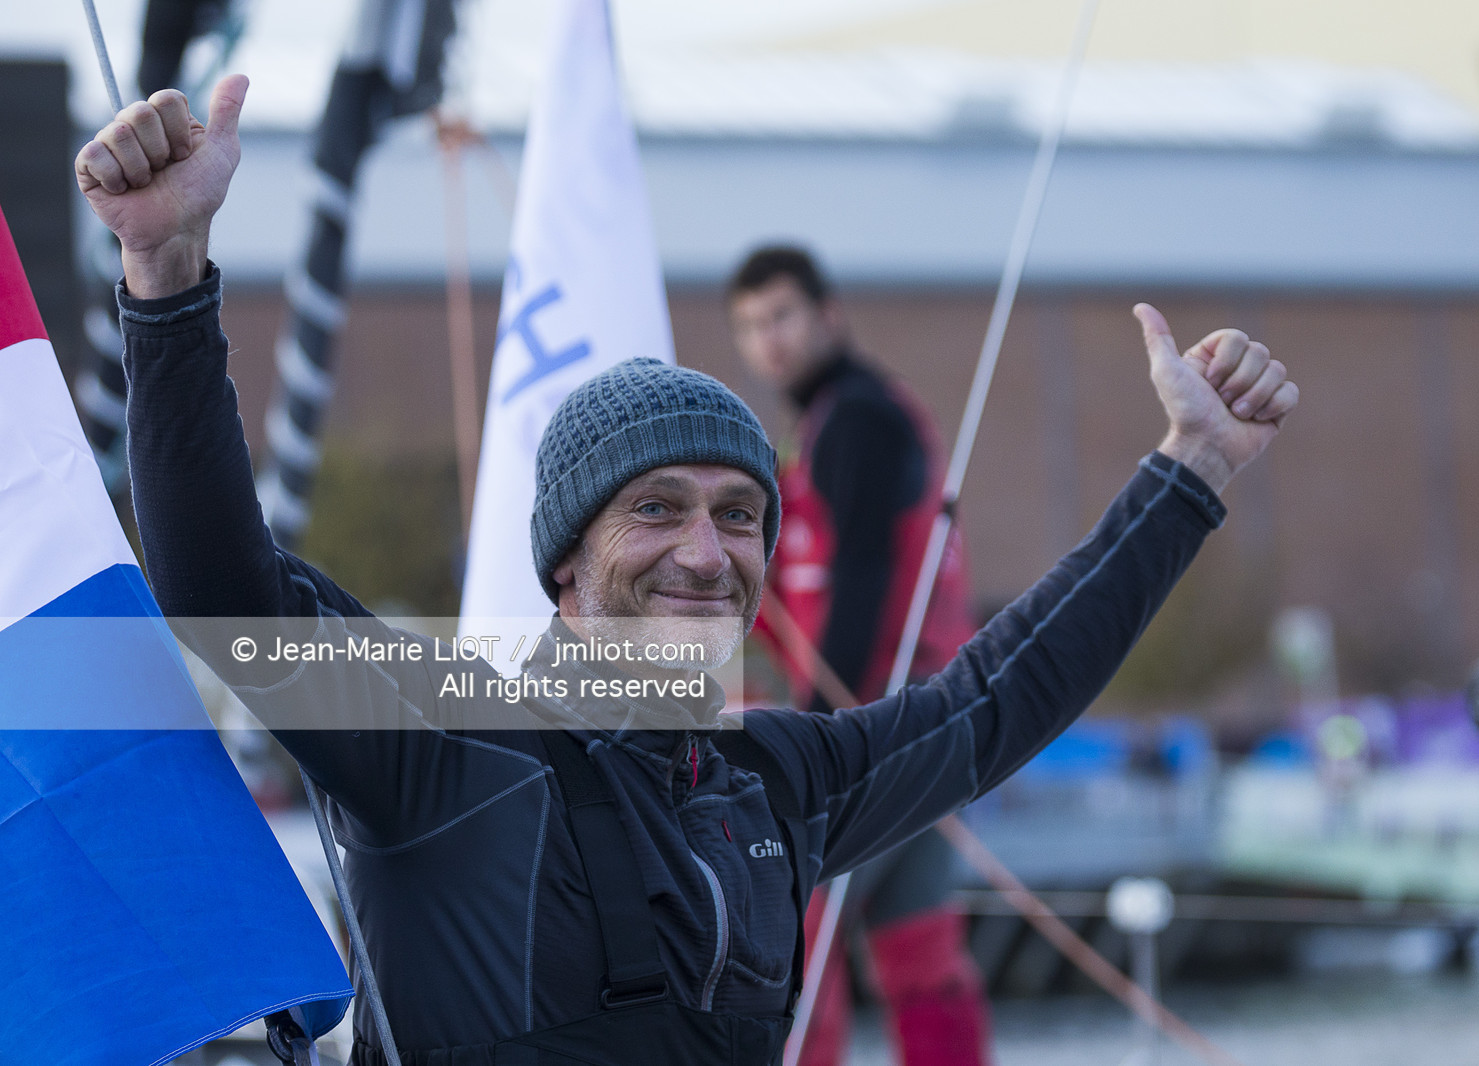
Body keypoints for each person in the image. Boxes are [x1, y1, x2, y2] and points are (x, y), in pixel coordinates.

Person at [76, 76, 1297, 1066]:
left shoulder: (780, 779)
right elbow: (219, 584)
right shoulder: (435, 738)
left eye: (740, 515)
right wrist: (167, 280)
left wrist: (1187, 476)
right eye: (655, 511)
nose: (706, 554)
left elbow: (992, 703)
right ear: (563, 562)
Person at [728, 246, 992, 1066]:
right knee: (919, 952)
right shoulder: (835, 426)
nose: (768, 341)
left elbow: (867, 572)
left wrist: (815, 736)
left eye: (782, 317)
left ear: (827, 317)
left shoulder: (858, 420)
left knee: (797, 935)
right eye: (749, 326)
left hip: (876, 724)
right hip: (929, 725)